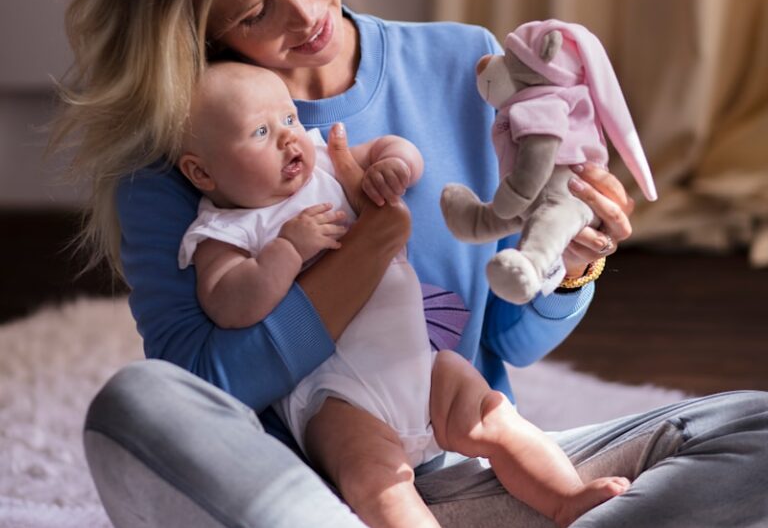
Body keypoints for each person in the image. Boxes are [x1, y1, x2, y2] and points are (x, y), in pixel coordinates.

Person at [52, 0, 768, 527]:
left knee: (755, 430)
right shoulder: (185, 153)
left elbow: (508, 342)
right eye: (255, 11)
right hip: (294, 495)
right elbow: (206, 390)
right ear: (199, 32)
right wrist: (371, 245)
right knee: (133, 403)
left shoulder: (468, 63)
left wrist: (569, 262)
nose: (305, 14)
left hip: (471, 464)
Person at [175, 61, 630, 527]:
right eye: (260, 132)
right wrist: (288, 248)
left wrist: (394, 165)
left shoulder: (325, 155)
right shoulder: (222, 232)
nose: (290, 137)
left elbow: (396, 149)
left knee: (495, 415)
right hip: (337, 398)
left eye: (289, 118)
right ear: (203, 173)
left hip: (423, 367)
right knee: (374, 479)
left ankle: (566, 499)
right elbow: (229, 303)